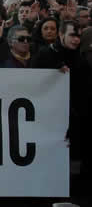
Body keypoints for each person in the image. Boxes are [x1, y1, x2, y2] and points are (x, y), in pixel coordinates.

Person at [31, 21, 90, 176]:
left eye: (78, 36)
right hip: (48, 122)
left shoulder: (82, 61)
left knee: (73, 169)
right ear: (61, 35)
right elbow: (31, 82)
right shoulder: (44, 55)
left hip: (75, 124)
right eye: (72, 35)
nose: (76, 40)